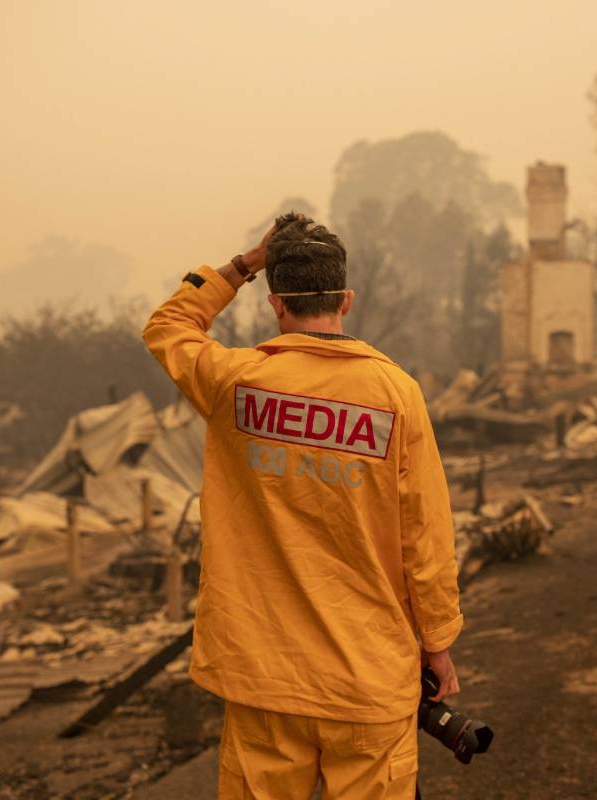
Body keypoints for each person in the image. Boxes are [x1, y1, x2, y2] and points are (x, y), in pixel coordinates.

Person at [142, 212, 463, 799]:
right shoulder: (396, 394)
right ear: (346, 299)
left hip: (265, 679)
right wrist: (437, 643)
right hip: (369, 680)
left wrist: (243, 264)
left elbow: (168, 325)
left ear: (275, 305)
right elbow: (427, 535)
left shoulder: (235, 382)